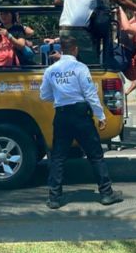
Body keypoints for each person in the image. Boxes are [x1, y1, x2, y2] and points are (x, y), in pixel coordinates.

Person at [40, 36, 123, 209]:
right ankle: (106, 193)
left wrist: (60, 95)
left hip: (62, 114)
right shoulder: (80, 68)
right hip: (80, 114)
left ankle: (54, 197)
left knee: (58, 157)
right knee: (95, 155)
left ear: (61, 50)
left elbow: (44, 95)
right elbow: (90, 94)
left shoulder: (51, 70)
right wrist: (100, 115)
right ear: (75, 49)